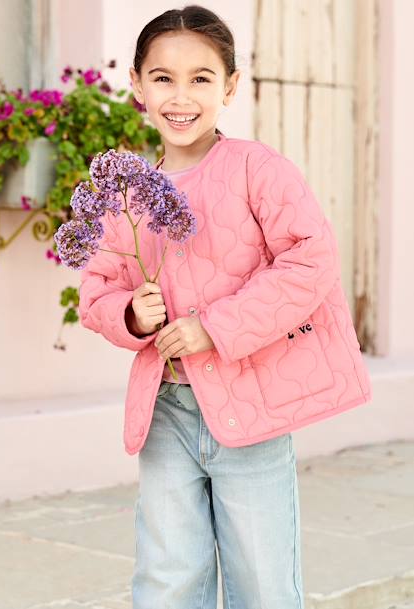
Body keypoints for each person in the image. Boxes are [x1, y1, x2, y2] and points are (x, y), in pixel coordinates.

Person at [78, 5, 372, 608]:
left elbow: (309, 260)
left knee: (262, 579)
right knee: (167, 575)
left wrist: (214, 326)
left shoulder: (256, 169)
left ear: (230, 86)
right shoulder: (127, 190)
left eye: (201, 78)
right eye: (162, 78)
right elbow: (96, 289)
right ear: (136, 84)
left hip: (251, 409)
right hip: (167, 411)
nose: (180, 96)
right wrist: (132, 313)